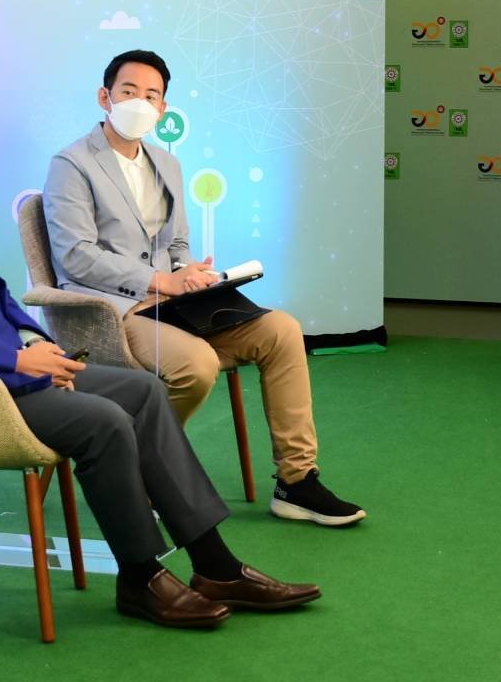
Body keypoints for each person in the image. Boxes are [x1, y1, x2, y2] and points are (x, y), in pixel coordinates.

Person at [0, 58, 320, 629]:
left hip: (0, 365)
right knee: (104, 421)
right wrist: (14, 357)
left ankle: (216, 566)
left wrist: (35, 341)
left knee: (143, 393)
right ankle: (141, 578)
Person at [44, 50, 364, 528]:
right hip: (112, 310)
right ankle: (141, 470)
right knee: (196, 364)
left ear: (162, 109)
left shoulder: (166, 163)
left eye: (151, 95)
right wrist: (159, 280)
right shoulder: (72, 163)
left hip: (173, 304)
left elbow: (175, 244)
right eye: (128, 91)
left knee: (281, 330)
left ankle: (296, 482)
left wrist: (190, 272)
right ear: (104, 97)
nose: (139, 102)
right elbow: (76, 255)